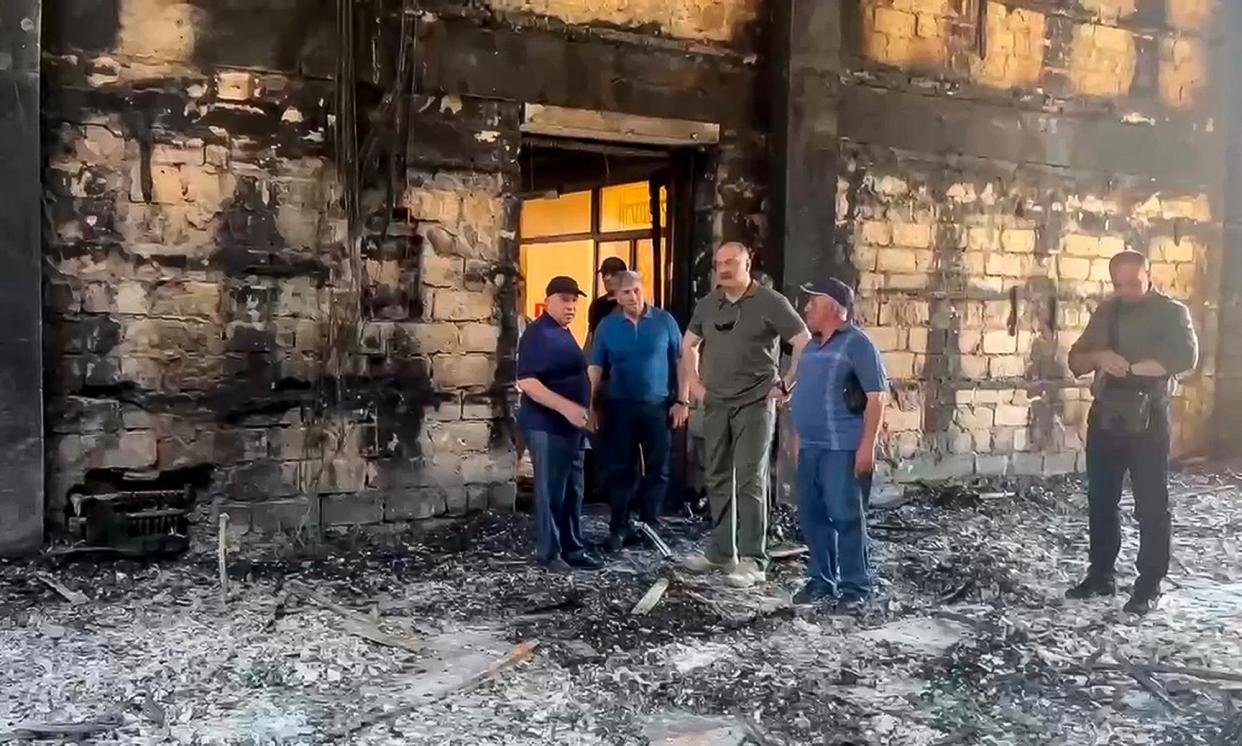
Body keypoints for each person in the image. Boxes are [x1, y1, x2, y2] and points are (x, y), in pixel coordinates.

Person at [1065, 250, 1198, 615]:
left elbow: (1186, 358)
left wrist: (1133, 368)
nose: (1127, 290)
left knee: (1151, 504)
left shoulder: (1172, 313)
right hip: (1107, 415)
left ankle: (1149, 583)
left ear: (1149, 275)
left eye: (1134, 283)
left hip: (1149, 418)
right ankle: (1101, 574)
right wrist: (1100, 358)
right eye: (1119, 284)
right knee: (1101, 499)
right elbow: (1075, 361)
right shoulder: (1108, 311)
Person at [678, 242, 811, 588]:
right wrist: (694, 383)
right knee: (718, 474)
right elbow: (688, 343)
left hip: (754, 403)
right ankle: (723, 551)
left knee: (750, 478)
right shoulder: (709, 304)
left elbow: (803, 340)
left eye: (731, 263)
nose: (723, 269)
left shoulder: (770, 302)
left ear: (747, 263)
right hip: (716, 403)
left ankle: (754, 559)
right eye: (719, 263)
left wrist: (787, 383)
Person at [789, 279, 888, 609]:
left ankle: (855, 588)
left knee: (846, 517)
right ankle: (821, 581)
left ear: (833, 307)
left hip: (842, 447)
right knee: (812, 516)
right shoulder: (812, 347)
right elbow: (804, 394)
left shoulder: (858, 344)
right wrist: (798, 439)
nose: (806, 309)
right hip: (812, 447)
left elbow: (877, 398)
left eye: (812, 304)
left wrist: (867, 446)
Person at [588, 271, 686, 551]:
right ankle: (619, 527)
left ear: (645, 289)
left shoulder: (664, 322)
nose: (633, 297)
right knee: (620, 469)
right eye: (626, 293)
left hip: (658, 407)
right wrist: (591, 407)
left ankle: (649, 525)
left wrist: (683, 400)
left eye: (636, 290)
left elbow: (682, 361)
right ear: (616, 297)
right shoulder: (607, 326)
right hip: (620, 407)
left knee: (659, 469)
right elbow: (595, 368)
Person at [516, 276, 603, 571]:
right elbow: (527, 382)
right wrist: (566, 407)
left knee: (573, 491)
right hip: (547, 425)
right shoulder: (537, 334)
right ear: (549, 300)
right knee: (551, 492)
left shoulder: (563, 333)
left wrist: (583, 412)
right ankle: (549, 554)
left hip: (572, 428)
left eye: (575, 301)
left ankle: (572, 549)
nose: (571, 307)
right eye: (565, 300)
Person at [588, 256, 629, 337]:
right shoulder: (597, 305)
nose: (606, 278)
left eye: (613, 274)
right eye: (604, 274)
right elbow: (592, 335)